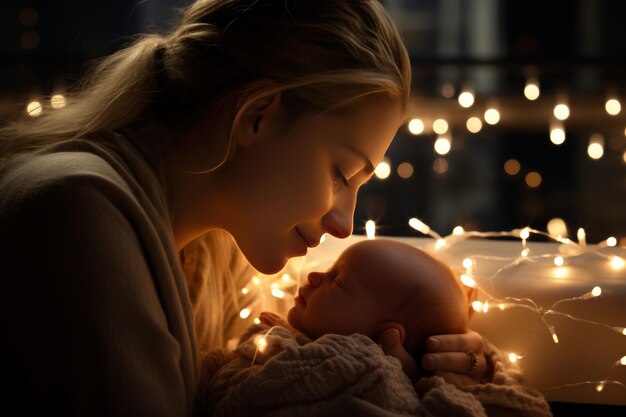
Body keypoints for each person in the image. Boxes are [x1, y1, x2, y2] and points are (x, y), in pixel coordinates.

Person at [0, 1, 489, 416]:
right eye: (342, 174)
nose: (344, 223)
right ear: (257, 116)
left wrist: (439, 368)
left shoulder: (211, 246)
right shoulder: (78, 216)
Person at [199, 239, 553, 417]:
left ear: (386, 336)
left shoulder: (367, 372)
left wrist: (283, 346)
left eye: (336, 281)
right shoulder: (299, 341)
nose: (314, 275)